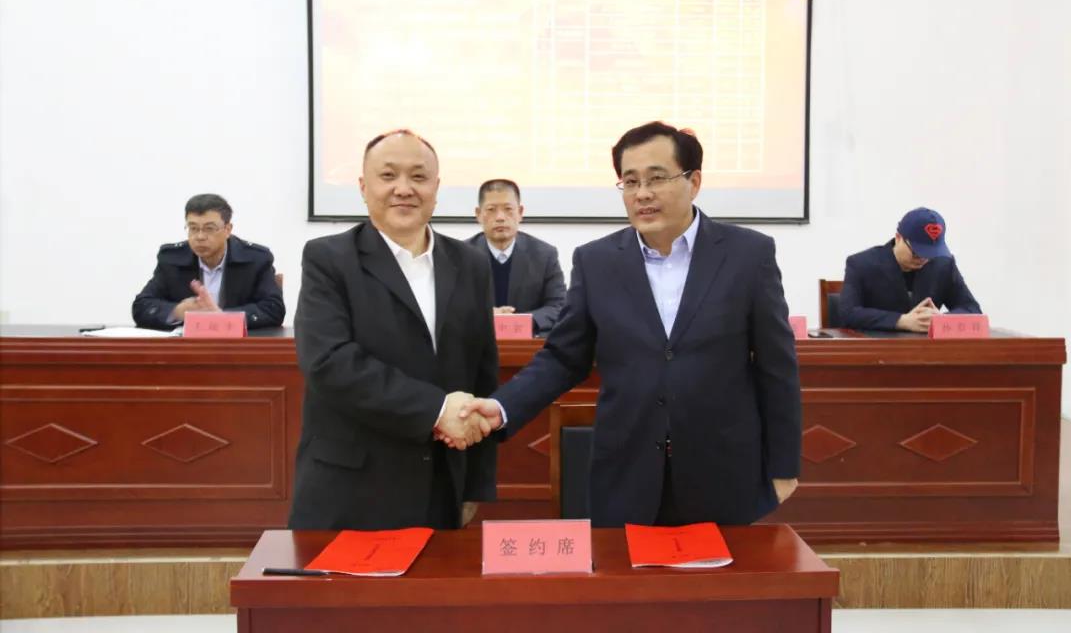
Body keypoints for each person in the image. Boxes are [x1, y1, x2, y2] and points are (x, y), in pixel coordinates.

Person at [458, 121, 801, 527]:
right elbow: (564, 358)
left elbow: (777, 366)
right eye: (631, 181)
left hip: (725, 475)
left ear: (694, 182)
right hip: (626, 476)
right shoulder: (596, 261)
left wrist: (784, 467)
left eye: (656, 178)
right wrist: (502, 407)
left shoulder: (748, 254)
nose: (642, 193)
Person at [288, 129, 499, 531]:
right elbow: (329, 362)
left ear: (436, 188)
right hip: (351, 488)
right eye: (388, 176)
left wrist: (475, 485)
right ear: (363, 187)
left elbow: (482, 375)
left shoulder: (470, 264)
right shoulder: (328, 259)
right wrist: (436, 410)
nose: (404, 189)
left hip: (441, 486)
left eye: (418, 177)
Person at [132, 194, 284, 330]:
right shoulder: (172, 259)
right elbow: (142, 306)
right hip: (187, 348)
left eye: (209, 229)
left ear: (228, 229)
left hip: (238, 347)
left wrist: (223, 317)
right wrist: (178, 311)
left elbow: (273, 309)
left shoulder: (255, 259)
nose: (200, 237)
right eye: (193, 228)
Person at [838, 207, 981, 332]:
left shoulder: (943, 264)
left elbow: (972, 309)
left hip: (927, 350)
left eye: (930, 254)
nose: (923, 259)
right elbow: (848, 314)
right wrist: (901, 321)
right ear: (898, 238)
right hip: (878, 349)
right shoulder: (861, 264)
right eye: (916, 253)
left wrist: (940, 320)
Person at [466, 179, 567, 333]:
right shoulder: (461, 255)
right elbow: (448, 307)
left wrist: (519, 322)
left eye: (508, 209)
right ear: (478, 214)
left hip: (527, 343)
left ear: (520, 213)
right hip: (475, 341)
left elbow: (559, 306)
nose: (500, 217)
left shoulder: (544, 255)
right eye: (491, 209)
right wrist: (485, 316)